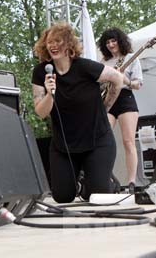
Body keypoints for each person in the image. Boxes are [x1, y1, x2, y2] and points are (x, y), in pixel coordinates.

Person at [31, 22, 123, 203]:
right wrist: (50, 93)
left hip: (97, 140)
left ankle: (106, 182)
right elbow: (41, 112)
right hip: (64, 145)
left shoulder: (85, 67)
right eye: (50, 42)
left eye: (58, 41)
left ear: (68, 44)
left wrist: (107, 106)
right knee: (62, 197)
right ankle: (80, 184)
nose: (53, 45)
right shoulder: (41, 72)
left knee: (98, 196)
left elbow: (117, 78)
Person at [98, 27, 143, 194]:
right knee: (103, 140)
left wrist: (126, 80)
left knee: (128, 141)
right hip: (108, 100)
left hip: (125, 99)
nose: (110, 45)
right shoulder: (104, 62)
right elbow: (99, 83)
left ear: (120, 41)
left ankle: (131, 182)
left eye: (113, 41)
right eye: (107, 42)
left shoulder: (131, 58)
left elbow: (138, 84)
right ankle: (106, 177)